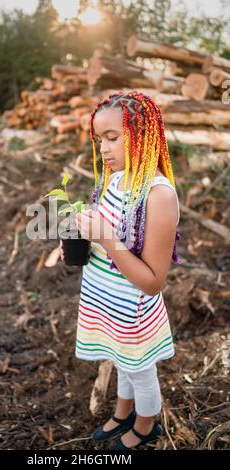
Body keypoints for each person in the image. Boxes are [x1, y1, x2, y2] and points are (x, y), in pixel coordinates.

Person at [59, 90, 181, 450]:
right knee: (120, 359)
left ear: (142, 134)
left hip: (133, 309)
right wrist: (80, 240)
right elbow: (106, 232)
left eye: (112, 138)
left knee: (140, 370)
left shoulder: (159, 195)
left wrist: (106, 238)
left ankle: (145, 425)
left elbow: (153, 281)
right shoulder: (116, 179)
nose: (103, 150)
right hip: (106, 299)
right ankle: (122, 409)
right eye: (99, 140)